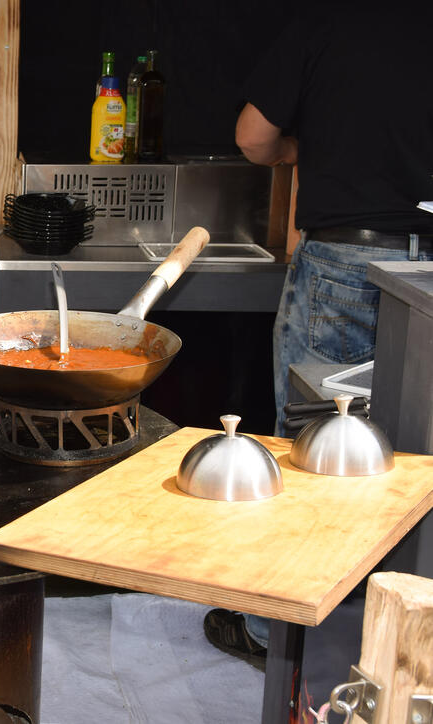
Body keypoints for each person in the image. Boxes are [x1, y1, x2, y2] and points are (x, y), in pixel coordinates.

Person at [203, 0, 433, 665]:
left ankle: (279, 636)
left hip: (345, 261)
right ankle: (406, 649)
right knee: (420, 455)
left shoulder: (327, 23)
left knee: (314, 445)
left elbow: (253, 138)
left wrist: (304, 146)